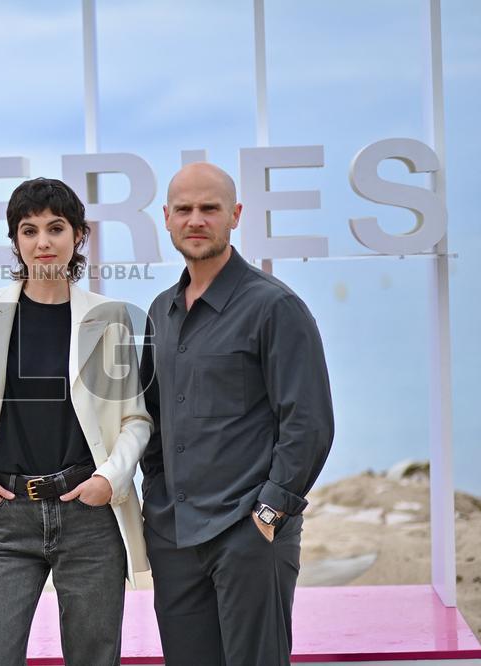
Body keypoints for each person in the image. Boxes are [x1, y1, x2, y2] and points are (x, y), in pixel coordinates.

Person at [0, 177, 152, 665]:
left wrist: (110, 479)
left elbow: (134, 418)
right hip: (5, 515)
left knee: (94, 658)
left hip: (88, 511)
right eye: (29, 230)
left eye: (56, 228)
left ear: (79, 235)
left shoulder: (110, 315)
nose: (43, 242)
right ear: (16, 240)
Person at [138, 162, 334, 665]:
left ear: (235, 215)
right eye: (184, 209)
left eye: (210, 208)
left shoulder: (274, 307)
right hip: (175, 536)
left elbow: (308, 422)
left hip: (247, 533)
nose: (196, 219)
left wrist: (268, 513)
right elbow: (152, 419)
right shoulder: (161, 311)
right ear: (166, 218)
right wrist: (157, 497)